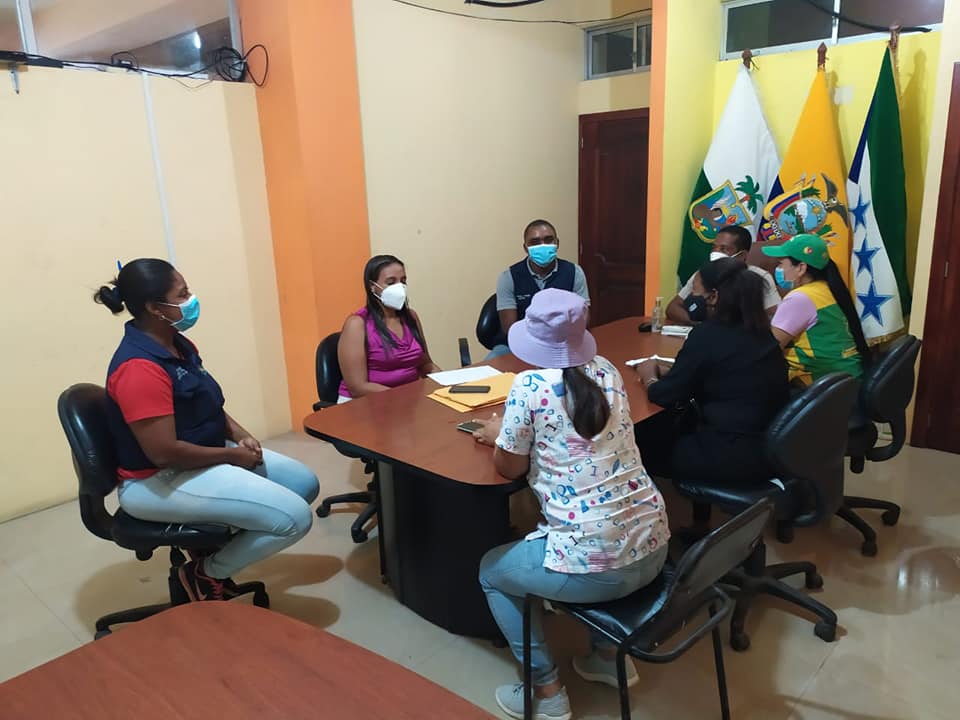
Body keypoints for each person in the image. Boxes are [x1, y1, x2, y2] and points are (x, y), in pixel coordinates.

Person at [473, 289, 670, 720]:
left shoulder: (529, 386)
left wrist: (497, 436)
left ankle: (547, 692)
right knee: (591, 523)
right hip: (654, 545)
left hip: (599, 566)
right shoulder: (608, 372)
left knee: (491, 572)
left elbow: (509, 467)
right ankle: (607, 658)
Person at [94, 259, 319, 602]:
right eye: (182, 294)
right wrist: (233, 456)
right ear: (155, 308)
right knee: (295, 519)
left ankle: (210, 546)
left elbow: (206, 403)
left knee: (304, 484)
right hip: (157, 480)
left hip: (200, 458)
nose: (191, 300)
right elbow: (164, 453)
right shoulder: (138, 367)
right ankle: (204, 573)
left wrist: (240, 434)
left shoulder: (178, 344)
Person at [635, 258, 789, 487]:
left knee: (639, 439)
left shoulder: (707, 335)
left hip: (729, 455)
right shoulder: (760, 331)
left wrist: (649, 375)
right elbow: (725, 374)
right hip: (768, 448)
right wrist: (676, 372)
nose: (691, 298)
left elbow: (663, 395)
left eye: (695, 292)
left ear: (714, 296)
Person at [762, 233, 868, 385]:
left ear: (801, 268)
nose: (778, 269)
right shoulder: (828, 288)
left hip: (818, 384)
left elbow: (769, 348)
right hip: (848, 379)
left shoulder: (799, 298)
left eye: (781, 264)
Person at [338, 254, 441, 402]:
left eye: (403, 281)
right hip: (364, 404)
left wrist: (446, 383)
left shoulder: (411, 317)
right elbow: (357, 387)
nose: (400, 287)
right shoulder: (357, 324)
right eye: (391, 282)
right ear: (373, 287)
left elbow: (425, 364)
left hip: (406, 401)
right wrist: (404, 396)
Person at [488, 219, 591, 358]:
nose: (543, 246)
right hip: (519, 344)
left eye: (548, 240)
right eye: (535, 242)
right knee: (492, 361)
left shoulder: (574, 272)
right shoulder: (509, 277)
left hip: (563, 344)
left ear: (557, 243)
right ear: (526, 248)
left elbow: (584, 318)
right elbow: (509, 328)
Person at [666, 224, 780, 324]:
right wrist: (697, 325)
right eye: (714, 247)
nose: (716, 252)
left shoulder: (759, 277)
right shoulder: (702, 274)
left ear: (742, 255)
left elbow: (775, 317)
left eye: (723, 249)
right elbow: (673, 308)